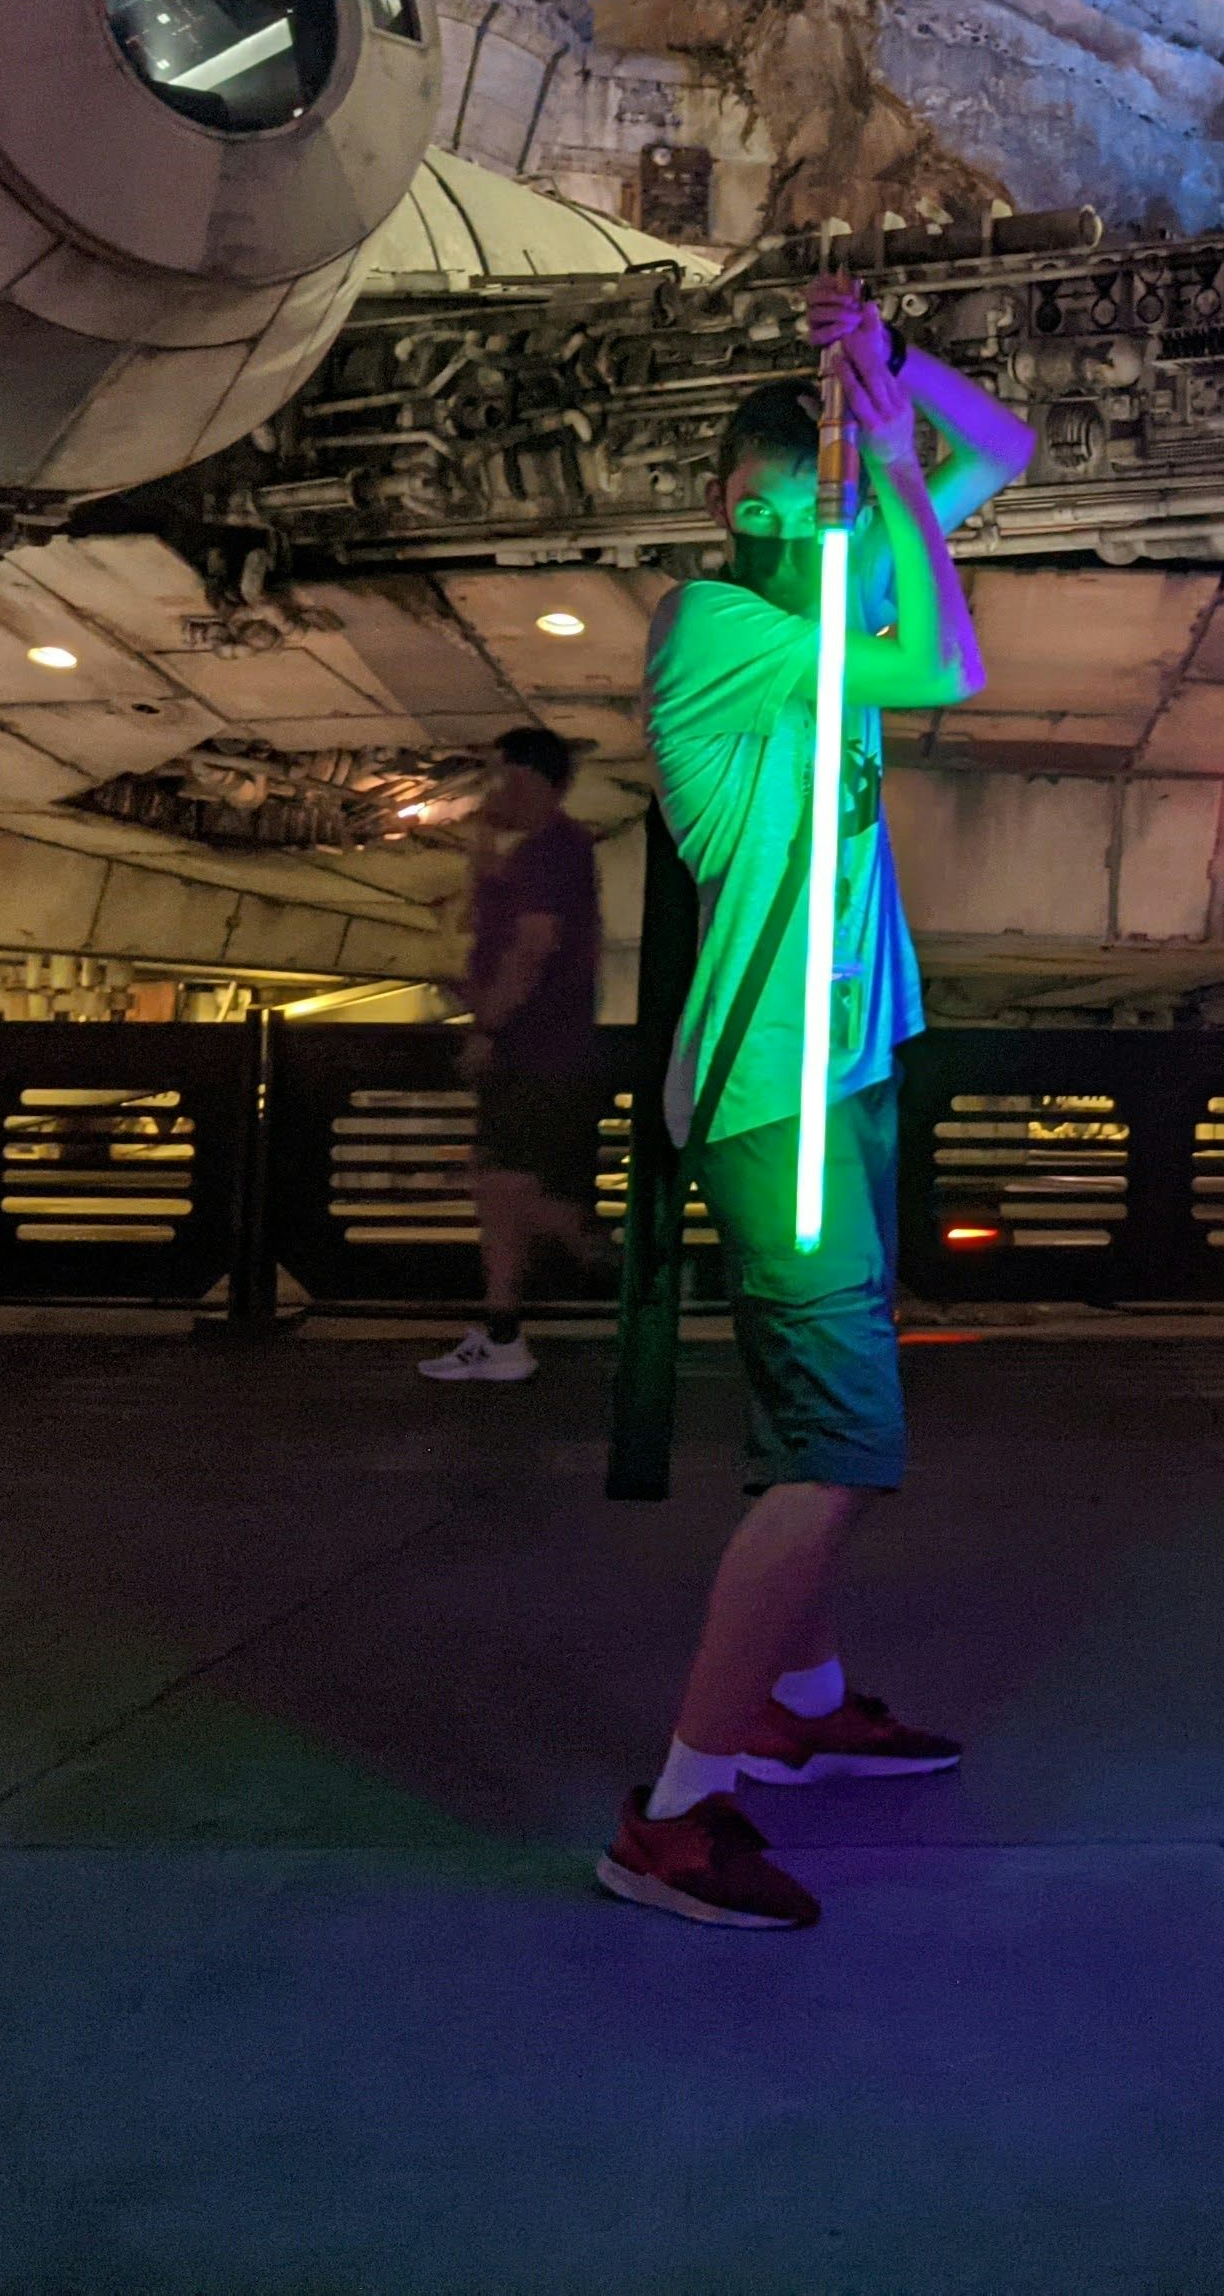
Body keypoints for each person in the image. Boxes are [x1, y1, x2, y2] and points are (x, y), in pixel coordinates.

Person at [597, 277, 1032, 1931]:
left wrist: (887, 375)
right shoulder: (720, 626)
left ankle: (800, 1697)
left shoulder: (818, 597)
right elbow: (952, 654)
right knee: (838, 1452)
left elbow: (1017, 442)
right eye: (827, 498)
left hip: (837, 1065)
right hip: (775, 1089)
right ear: (754, 506)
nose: (853, 515)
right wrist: (897, 484)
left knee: (813, 1429)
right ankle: (682, 1803)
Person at [419, 726, 604, 1386]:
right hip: (538, 1046)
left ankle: (599, 1257)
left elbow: (532, 949)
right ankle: (504, 1328)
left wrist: (488, 1027)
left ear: (528, 779)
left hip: (537, 1047)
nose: (490, 789)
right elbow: (489, 915)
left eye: (499, 775)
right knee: (500, 1185)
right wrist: (485, 840)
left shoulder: (555, 850)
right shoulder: (538, 854)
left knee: (501, 1186)